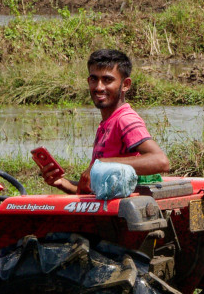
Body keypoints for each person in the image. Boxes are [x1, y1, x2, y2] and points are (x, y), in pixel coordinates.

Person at [40, 48, 169, 195]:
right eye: (94, 79)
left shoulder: (125, 119)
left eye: (107, 80)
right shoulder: (107, 123)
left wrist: (102, 164)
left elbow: (160, 161)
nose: (99, 87)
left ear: (125, 84)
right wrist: (62, 183)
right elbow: (94, 191)